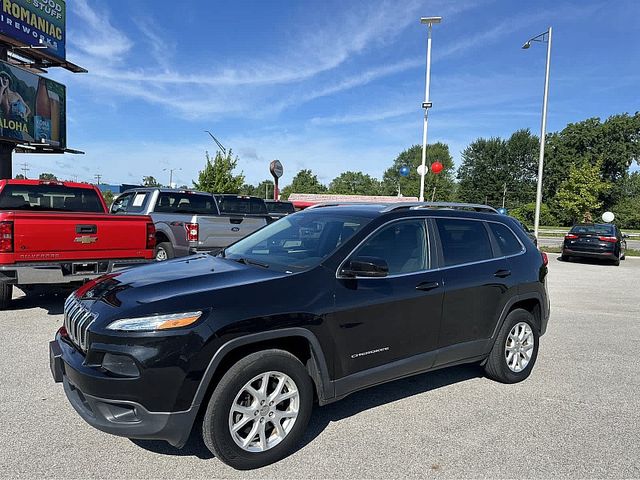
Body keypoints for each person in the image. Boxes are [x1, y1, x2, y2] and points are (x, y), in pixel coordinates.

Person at [0, 71, 31, 140]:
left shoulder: (16, 94)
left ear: (9, 81)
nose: (4, 80)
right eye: (3, 78)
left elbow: (28, 109)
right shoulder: (1, 96)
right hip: (6, 128)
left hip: (16, 128)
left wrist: (24, 116)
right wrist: (2, 88)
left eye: (6, 78)